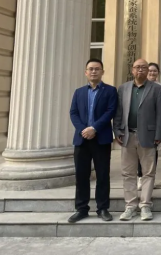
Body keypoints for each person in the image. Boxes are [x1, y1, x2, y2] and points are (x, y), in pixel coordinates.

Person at [68, 59, 118, 224]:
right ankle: (81, 209)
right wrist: (84, 129)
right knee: (81, 176)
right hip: (82, 139)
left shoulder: (110, 91)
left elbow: (111, 111)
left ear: (102, 72)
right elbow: (73, 113)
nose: (94, 71)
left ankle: (102, 208)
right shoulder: (79, 92)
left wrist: (94, 128)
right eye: (91, 69)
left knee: (102, 175)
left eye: (97, 69)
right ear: (86, 72)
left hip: (101, 139)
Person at [114, 59, 161, 222]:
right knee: (128, 173)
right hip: (127, 136)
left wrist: (158, 135)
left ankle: (145, 205)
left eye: (144, 67)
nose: (140, 70)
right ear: (132, 70)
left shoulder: (156, 89)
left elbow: (160, 113)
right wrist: (117, 130)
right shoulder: (123, 88)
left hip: (148, 136)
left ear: (148, 70)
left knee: (148, 173)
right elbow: (119, 112)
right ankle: (130, 206)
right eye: (137, 67)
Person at [137, 63, 161, 191]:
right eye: (150, 71)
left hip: (154, 127)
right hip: (140, 127)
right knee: (139, 154)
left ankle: (150, 179)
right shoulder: (140, 87)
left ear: (158, 73)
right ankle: (140, 177)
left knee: (153, 155)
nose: (152, 73)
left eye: (155, 71)